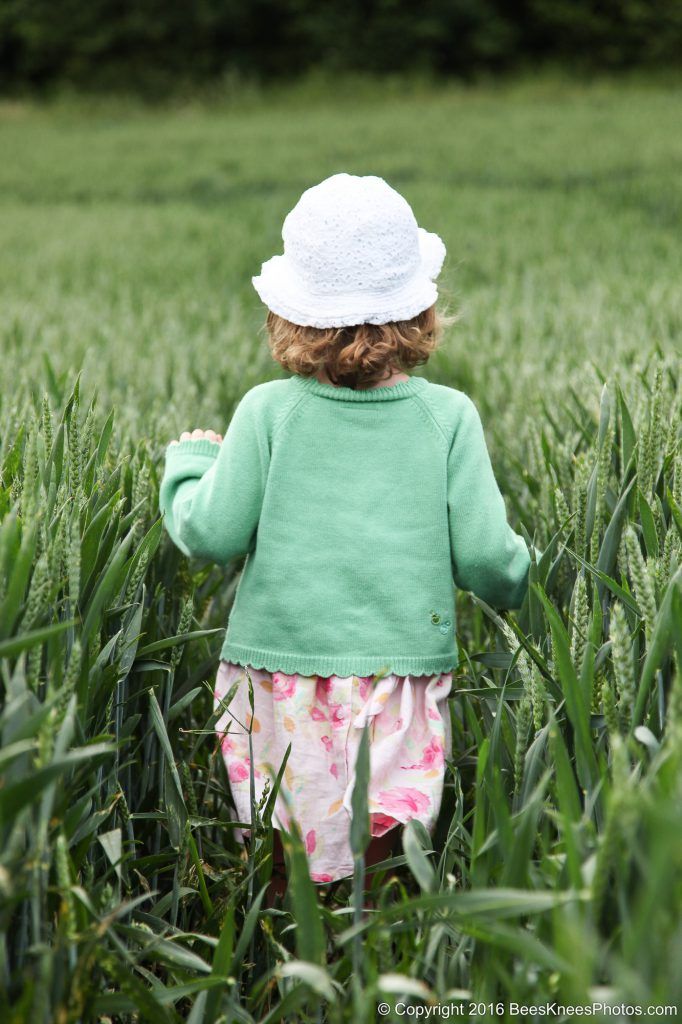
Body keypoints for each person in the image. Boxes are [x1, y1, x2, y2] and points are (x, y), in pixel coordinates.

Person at [159, 173, 532, 909]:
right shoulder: (447, 418)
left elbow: (209, 533)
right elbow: (492, 562)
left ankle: (287, 971)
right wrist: (533, 574)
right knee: (385, 860)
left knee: (282, 856)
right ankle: (381, 973)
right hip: (398, 682)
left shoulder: (268, 413)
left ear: (289, 314)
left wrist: (188, 464)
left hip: (279, 677)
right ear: (420, 309)